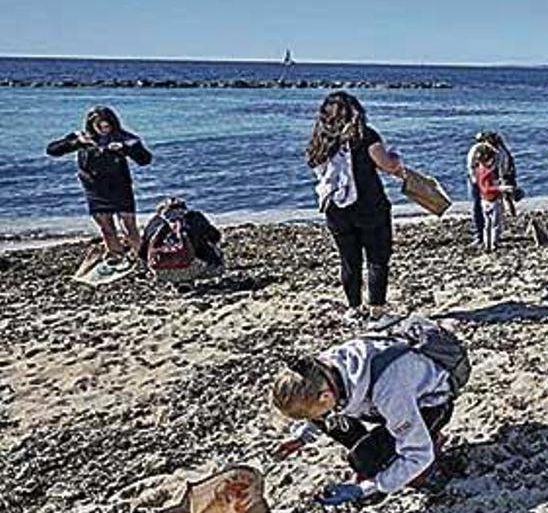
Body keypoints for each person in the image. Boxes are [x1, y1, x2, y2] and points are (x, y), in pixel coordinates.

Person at [270, 316, 462, 507]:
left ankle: (430, 444)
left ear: (326, 396)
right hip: (384, 400)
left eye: (311, 415)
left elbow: (418, 454)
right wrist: (302, 437)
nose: (315, 419)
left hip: (432, 402)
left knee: (368, 459)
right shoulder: (320, 370)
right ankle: (383, 454)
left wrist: (367, 487)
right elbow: (315, 405)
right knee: (332, 422)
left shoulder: (389, 390)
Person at [307, 91, 405, 328]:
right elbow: (388, 165)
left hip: (335, 208)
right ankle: (377, 312)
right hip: (369, 206)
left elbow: (314, 165)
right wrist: (395, 157)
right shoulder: (366, 135)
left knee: (349, 261)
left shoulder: (321, 139)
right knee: (377, 259)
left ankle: (353, 309)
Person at [47, 106, 153, 271]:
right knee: (106, 227)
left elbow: (145, 159)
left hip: (120, 186)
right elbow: (52, 150)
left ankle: (144, 258)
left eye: (107, 126)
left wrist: (126, 149)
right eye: (100, 126)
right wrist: (76, 143)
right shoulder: (81, 137)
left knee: (128, 226)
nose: (104, 130)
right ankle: (116, 255)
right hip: (95, 189)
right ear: (91, 126)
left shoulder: (125, 138)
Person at [138, 197, 225, 283]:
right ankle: (191, 277)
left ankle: (176, 280)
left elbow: (142, 253)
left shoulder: (154, 222)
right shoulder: (194, 217)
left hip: (159, 271)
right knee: (212, 250)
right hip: (190, 267)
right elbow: (215, 236)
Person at [473, 144, 507, 250]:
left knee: (487, 224)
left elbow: (482, 187)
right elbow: (487, 188)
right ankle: (493, 244)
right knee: (495, 224)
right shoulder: (488, 173)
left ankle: (487, 243)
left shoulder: (478, 170)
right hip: (493, 200)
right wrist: (501, 188)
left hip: (484, 200)